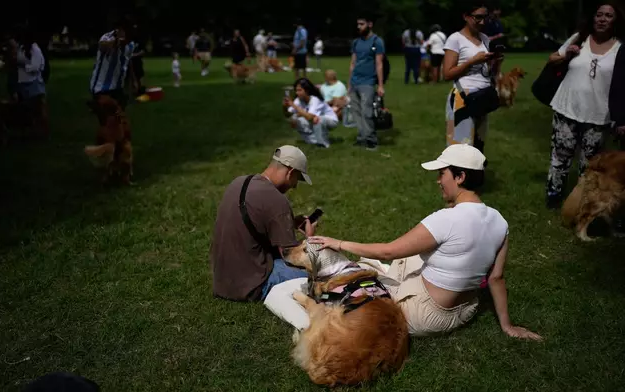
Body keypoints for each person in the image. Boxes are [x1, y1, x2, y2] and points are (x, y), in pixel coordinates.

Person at [309, 144, 542, 340]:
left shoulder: (446, 219)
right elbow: (496, 278)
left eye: (442, 174)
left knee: (363, 273)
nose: (438, 181)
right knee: (413, 254)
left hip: (422, 316)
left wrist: (339, 243)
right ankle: (385, 273)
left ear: (460, 177)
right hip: (466, 310)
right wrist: (507, 326)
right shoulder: (500, 221)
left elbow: (389, 251)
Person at [210, 145, 316, 301]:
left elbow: (254, 221)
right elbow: (293, 258)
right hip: (252, 283)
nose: (295, 185)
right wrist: (309, 237)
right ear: (290, 172)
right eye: (297, 179)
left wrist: (289, 223)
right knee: (318, 274)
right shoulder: (277, 201)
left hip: (222, 280)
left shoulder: (238, 182)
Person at [544, 2, 624, 208]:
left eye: (608, 15)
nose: (602, 19)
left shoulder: (620, 49)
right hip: (567, 107)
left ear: (615, 21)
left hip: (598, 114)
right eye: (599, 14)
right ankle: (553, 198)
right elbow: (553, 59)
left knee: (589, 164)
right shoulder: (580, 38)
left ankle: (580, 203)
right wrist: (567, 54)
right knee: (560, 158)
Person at [443, 3, 501, 154]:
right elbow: (447, 74)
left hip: (483, 98)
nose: (482, 22)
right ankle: (455, 177)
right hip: (463, 98)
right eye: (478, 17)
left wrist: (495, 62)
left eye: (485, 17)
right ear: (466, 16)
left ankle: (475, 177)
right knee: (460, 151)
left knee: (478, 150)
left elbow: (488, 73)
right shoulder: (455, 39)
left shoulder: (485, 39)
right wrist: (471, 61)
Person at [349, 16, 385, 151]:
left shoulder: (377, 41)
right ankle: (362, 137)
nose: (359, 26)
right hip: (355, 81)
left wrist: (380, 85)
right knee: (356, 112)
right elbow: (352, 63)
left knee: (367, 112)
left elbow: (379, 64)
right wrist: (349, 83)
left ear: (370, 24)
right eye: (358, 24)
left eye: (362, 24)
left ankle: (371, 140)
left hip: (368, 81)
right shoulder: (356, 42)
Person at [89, 18, 136, 110]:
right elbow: (103, 46)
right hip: (101, 88)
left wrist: (133, 81)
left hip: (118, 88)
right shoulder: (107, 38)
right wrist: (117, 41)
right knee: (111, 117)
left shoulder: (130, 44)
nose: (129, 40)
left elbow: (128, 61)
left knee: (121, 121)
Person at [283, 78, 338, 148]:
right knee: (295, 119)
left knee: (317, 119)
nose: (297, 93)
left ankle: (323, 144)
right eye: (296, 90)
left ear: (307, 90)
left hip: (331, 120)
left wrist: (293, 105)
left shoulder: (315, 99)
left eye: (299, 90)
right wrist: (284, 107)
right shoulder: (298, 100)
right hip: (315, 120)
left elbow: (310, 117)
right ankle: (313, 140)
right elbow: (288, 115)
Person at [16, 29, 49, 138]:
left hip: (34, 83)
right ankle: (31, 131)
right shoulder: (21, 48)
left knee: (38, 109)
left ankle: (43, 132)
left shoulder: (35, 50)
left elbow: (36, 67)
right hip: (23, 82)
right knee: (26, 110)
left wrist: (23, 65)